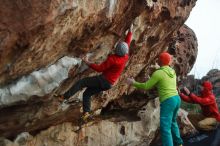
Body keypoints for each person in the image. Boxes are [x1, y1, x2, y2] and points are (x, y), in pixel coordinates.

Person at [58, 25, 133, 120]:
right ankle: (86, 113)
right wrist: (130, 32)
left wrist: (87, 62)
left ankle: (64, 97)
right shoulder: (125, 57)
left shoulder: (113, 59)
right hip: (109, 84)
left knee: (82, 82)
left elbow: (100, 69)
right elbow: (127, 42)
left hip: (103, 80)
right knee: (87, 94)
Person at [127, 52, 183, 146]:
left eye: (158, 59)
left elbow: (146, 86)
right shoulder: (172, 71)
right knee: (173, 122)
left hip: (168, 101)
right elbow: (164, 76)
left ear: (159, 60)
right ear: (169, 61)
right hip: (177, 99)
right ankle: (179, 144)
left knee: (165, 128)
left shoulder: (158, 73)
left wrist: (133, 82)